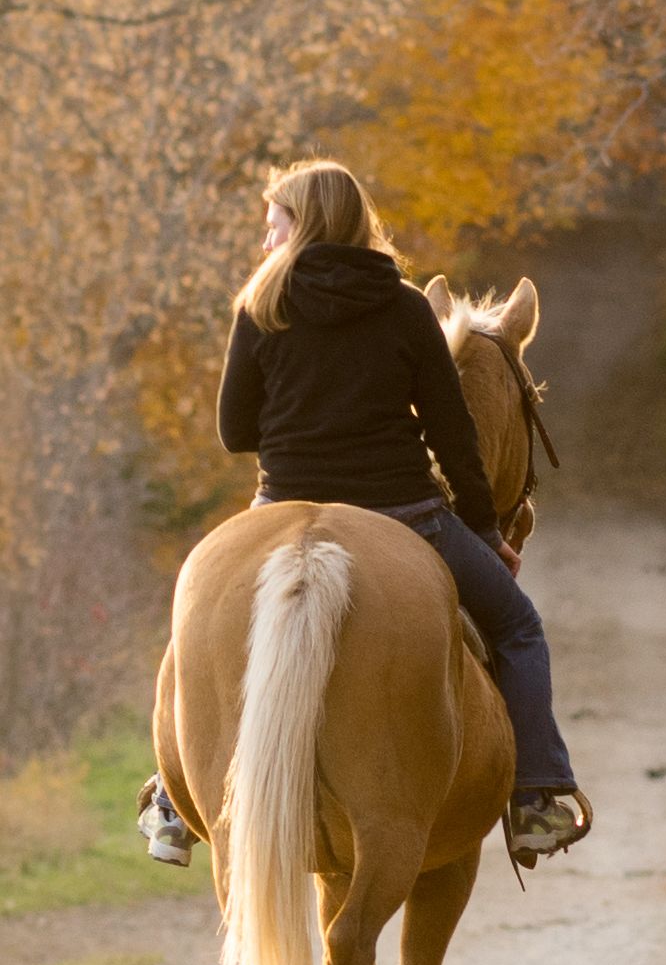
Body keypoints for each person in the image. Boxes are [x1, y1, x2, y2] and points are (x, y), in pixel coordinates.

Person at [138, 159, 587, 870]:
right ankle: (535, 794)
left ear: (304, 224)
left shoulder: (261, 303)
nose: (266, 243)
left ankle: (171, 795)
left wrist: (298, 426)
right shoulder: (407, 306)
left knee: (194, 625)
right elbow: (452, 436)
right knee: (518, 627)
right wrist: (483, 528)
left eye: (273, 225)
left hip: (279, 503)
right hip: (405, 512)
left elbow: (232, 431)